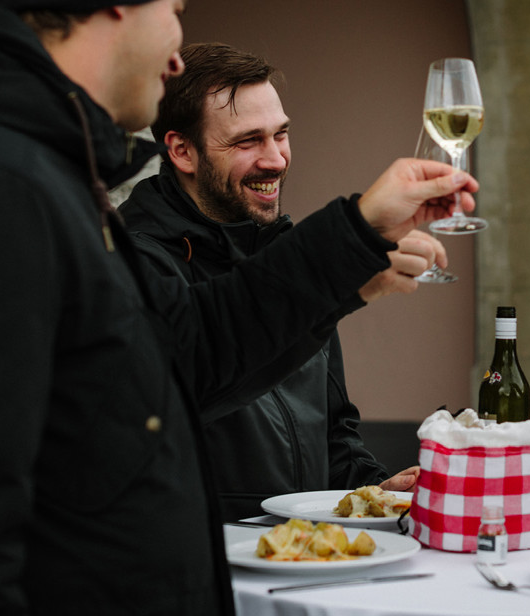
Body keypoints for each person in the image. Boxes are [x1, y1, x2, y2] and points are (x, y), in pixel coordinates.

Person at [0, 0, 475, 614]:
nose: (177, 52)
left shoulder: (46, 173)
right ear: (117, 4)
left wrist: (358, 233)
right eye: (175, 10)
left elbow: (188, 352)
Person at [120, 42, 430, 520]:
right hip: (215, 552)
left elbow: (335, 436)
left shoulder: (289, 255)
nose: (276, 159)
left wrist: (376, 490)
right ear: (182, 151)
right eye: (248, 141)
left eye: (280, 134)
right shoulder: (135, 262)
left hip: (299, 549)